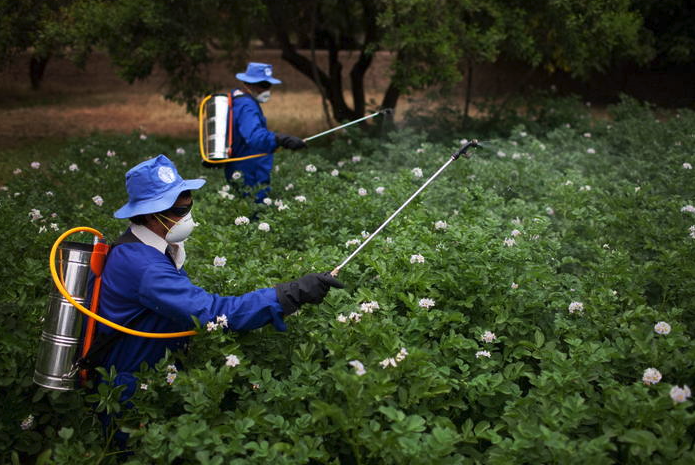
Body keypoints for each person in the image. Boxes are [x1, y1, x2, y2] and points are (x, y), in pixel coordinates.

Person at [96, 154, 343, 400]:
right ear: (150, 214)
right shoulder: (145, 266)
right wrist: (291, 293)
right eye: (179, 210)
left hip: (152, 375)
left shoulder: (143, 247)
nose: (187, 216)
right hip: (130, 390)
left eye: (189, 205)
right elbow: (214, 314)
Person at [224, 62, 306, 202]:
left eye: (268, 85)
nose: (267, 90)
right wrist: (281, 139)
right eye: (263, 85)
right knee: (255, 211)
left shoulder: (239, 100)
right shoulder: (247, 106)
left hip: (246, 168)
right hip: (250, 172)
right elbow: (255, 137)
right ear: (249, 83)